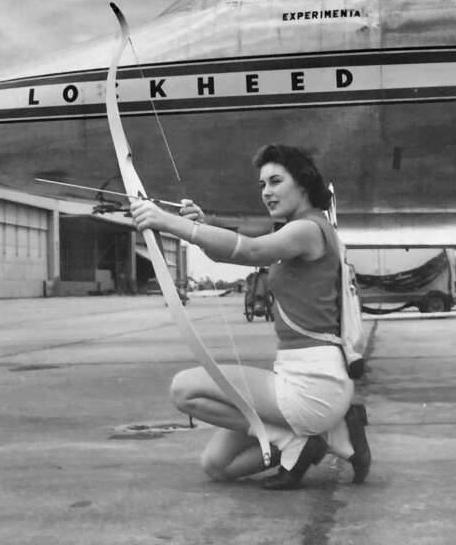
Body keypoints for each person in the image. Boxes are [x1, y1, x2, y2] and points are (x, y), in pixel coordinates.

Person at [130, 143, 371, 490]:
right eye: (262, 185)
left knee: (183, 389)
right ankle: (314, 436)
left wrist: (166, 222)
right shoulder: (297, 230)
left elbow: (252, 250)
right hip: (301, 379)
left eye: (275, 181)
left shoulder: (309, 229)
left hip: (312, 384)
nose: (267, 193)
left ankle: (300, 440)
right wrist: (202, 227)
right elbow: (231, 253)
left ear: (302, 183)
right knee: (217, 466)